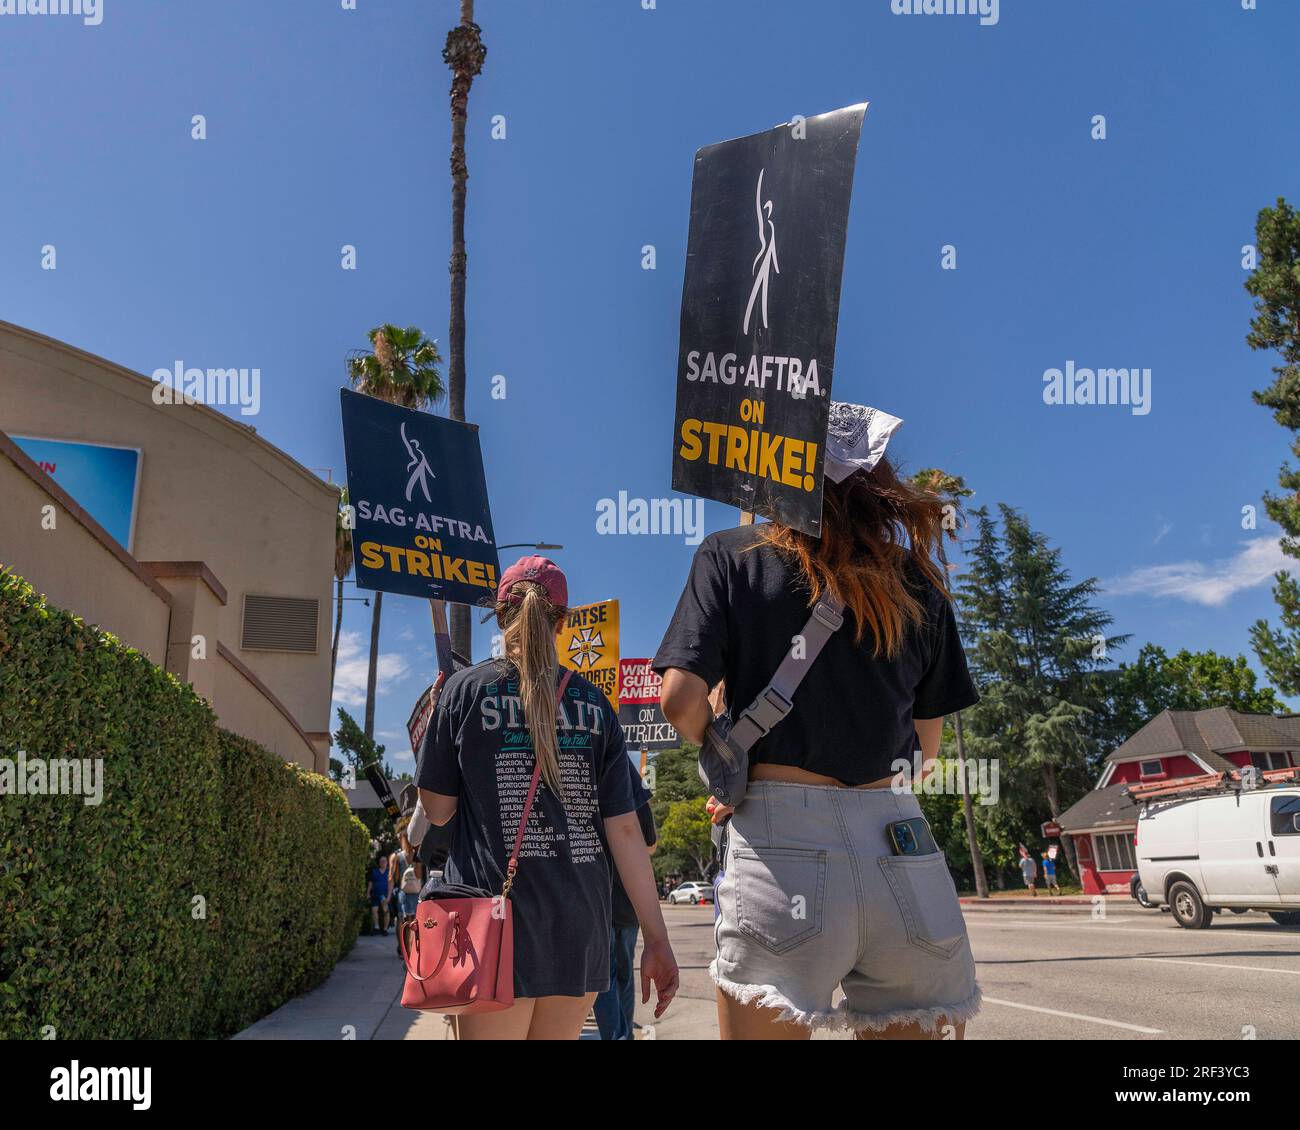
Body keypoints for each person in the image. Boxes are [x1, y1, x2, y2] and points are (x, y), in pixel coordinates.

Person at [654, 403, 981, 1040]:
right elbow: (925, 753)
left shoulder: (731, 555)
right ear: (876, 476)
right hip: (900, 846)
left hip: (781, 851)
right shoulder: (918, 582)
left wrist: (722, 745)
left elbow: (678, 700)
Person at [417, 556, 678, 1040]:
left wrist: (439, 720)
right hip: (579, 929)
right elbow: (624, 831)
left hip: (491, 928)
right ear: (563, 621)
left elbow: (437, 810)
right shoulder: (596, 706)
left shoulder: (463, 692)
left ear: (500, 614)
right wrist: (657, 939)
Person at [594, 759, 657, 1040]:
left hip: (596, 894)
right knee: (624, 972)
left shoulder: (582, 784)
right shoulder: (634, 794)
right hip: (629, 896)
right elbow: (651, 845)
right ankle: (624, 1035)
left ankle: (616, 1035)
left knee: (603, 976)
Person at [368, 854, 390, 935]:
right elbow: (371, 883)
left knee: (386, 911)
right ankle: (376, 927)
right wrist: (368, 893)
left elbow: (391, 884)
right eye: (381, 861)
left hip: (384, 895)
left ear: (387, 862)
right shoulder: (375, 871)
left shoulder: (389, 872)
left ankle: (385, 929)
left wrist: (389, 896)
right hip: (375, 894)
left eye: (384, 861)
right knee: (374, 910)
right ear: (379, 863)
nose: (383, 862)